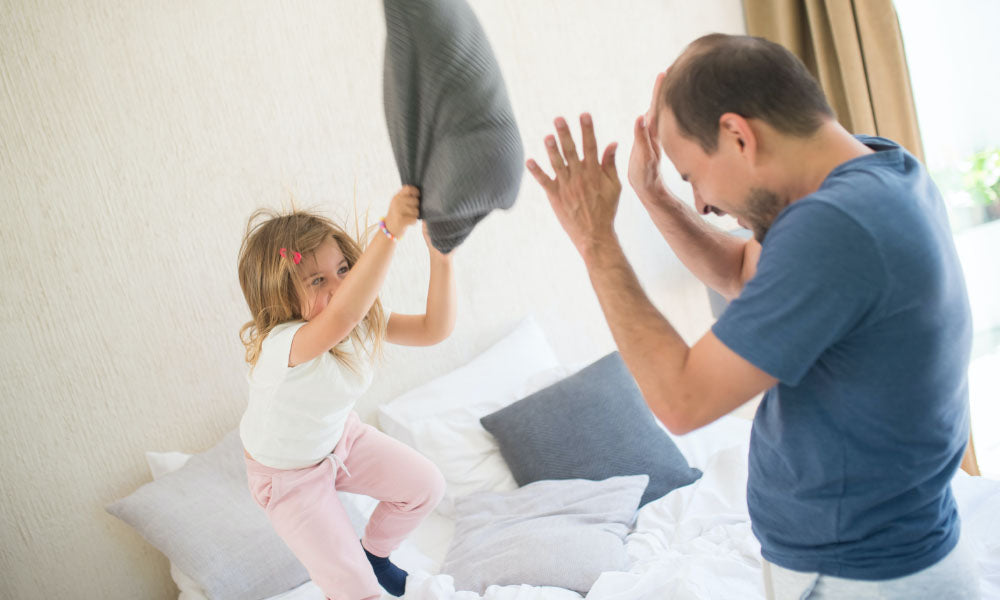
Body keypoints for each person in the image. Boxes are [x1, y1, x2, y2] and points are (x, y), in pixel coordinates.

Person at [527, 33, 979, 599]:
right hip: (876, 556)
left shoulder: (837, 227)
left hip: (861, 574)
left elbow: (681, 400)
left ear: (738, 135)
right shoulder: (876, 171)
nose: (702, 203)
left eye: (691, 176)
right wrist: (654, 195)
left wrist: (595, 239)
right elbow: (746, 273)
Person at [236, 186, 454, 600]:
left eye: (343, 270)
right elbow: (343, 313)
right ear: (280, 297)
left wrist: (441, 256)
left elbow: (434, 329)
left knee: (426, 486)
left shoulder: (359, 320)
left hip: (339, 440)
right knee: (356, 591)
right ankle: (358, 579)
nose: (338, 286)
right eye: (317, 280)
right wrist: (389, 231)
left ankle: (374, 554)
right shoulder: (283, 345)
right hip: (287, 480)